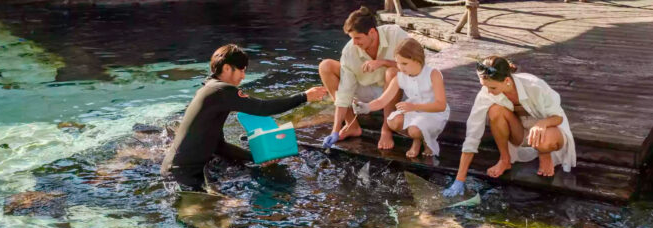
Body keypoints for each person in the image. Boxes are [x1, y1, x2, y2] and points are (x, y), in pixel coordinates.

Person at [161, 44, 327, 191]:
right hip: (183, 174)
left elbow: (218, 146)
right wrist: (303, 96)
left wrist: (257, 157)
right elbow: (263, 108)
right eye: (241, 70)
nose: (243, 76)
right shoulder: (222, 90)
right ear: (227, 68)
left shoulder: (210, 90)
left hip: (178, 172)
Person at [442, 56, 576, 197]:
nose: (488, 91)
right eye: (484, 86)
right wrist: (459, 179)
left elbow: (558, 117)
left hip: (548, 130)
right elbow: (472, 134)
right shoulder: (486, 93)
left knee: (546, 140)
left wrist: (541, 124)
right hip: (520, 132)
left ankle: (545, 154)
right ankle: (505, 160)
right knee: (495, 110)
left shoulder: (534, 86)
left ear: (507, 81)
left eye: (492, 87)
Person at [318, 6, 410, 151]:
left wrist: (383, 62)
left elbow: (418, 65)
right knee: (325, 66)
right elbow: (344, 93)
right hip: (365, 92)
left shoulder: (396, 34)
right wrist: (335, 130)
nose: (354, 43)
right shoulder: (350, 50)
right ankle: (352, 125)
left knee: (392, 72)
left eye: (358, 38)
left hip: (396, 91)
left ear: (372, 32)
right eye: (352, 38)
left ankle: (386, 129)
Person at [352, 38, 449, 158]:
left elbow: (441, 105)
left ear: (417, 60)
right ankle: (419, 138)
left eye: (404, 63)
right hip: (413, 109)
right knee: (393, 121)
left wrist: (414, 107)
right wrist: (366, 107)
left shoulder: (433, 74)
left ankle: (420, 140)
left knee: (414, 129)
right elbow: (382, 101)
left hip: (433, 112)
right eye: (398, 63)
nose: (400, 67)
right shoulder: (400, 77)